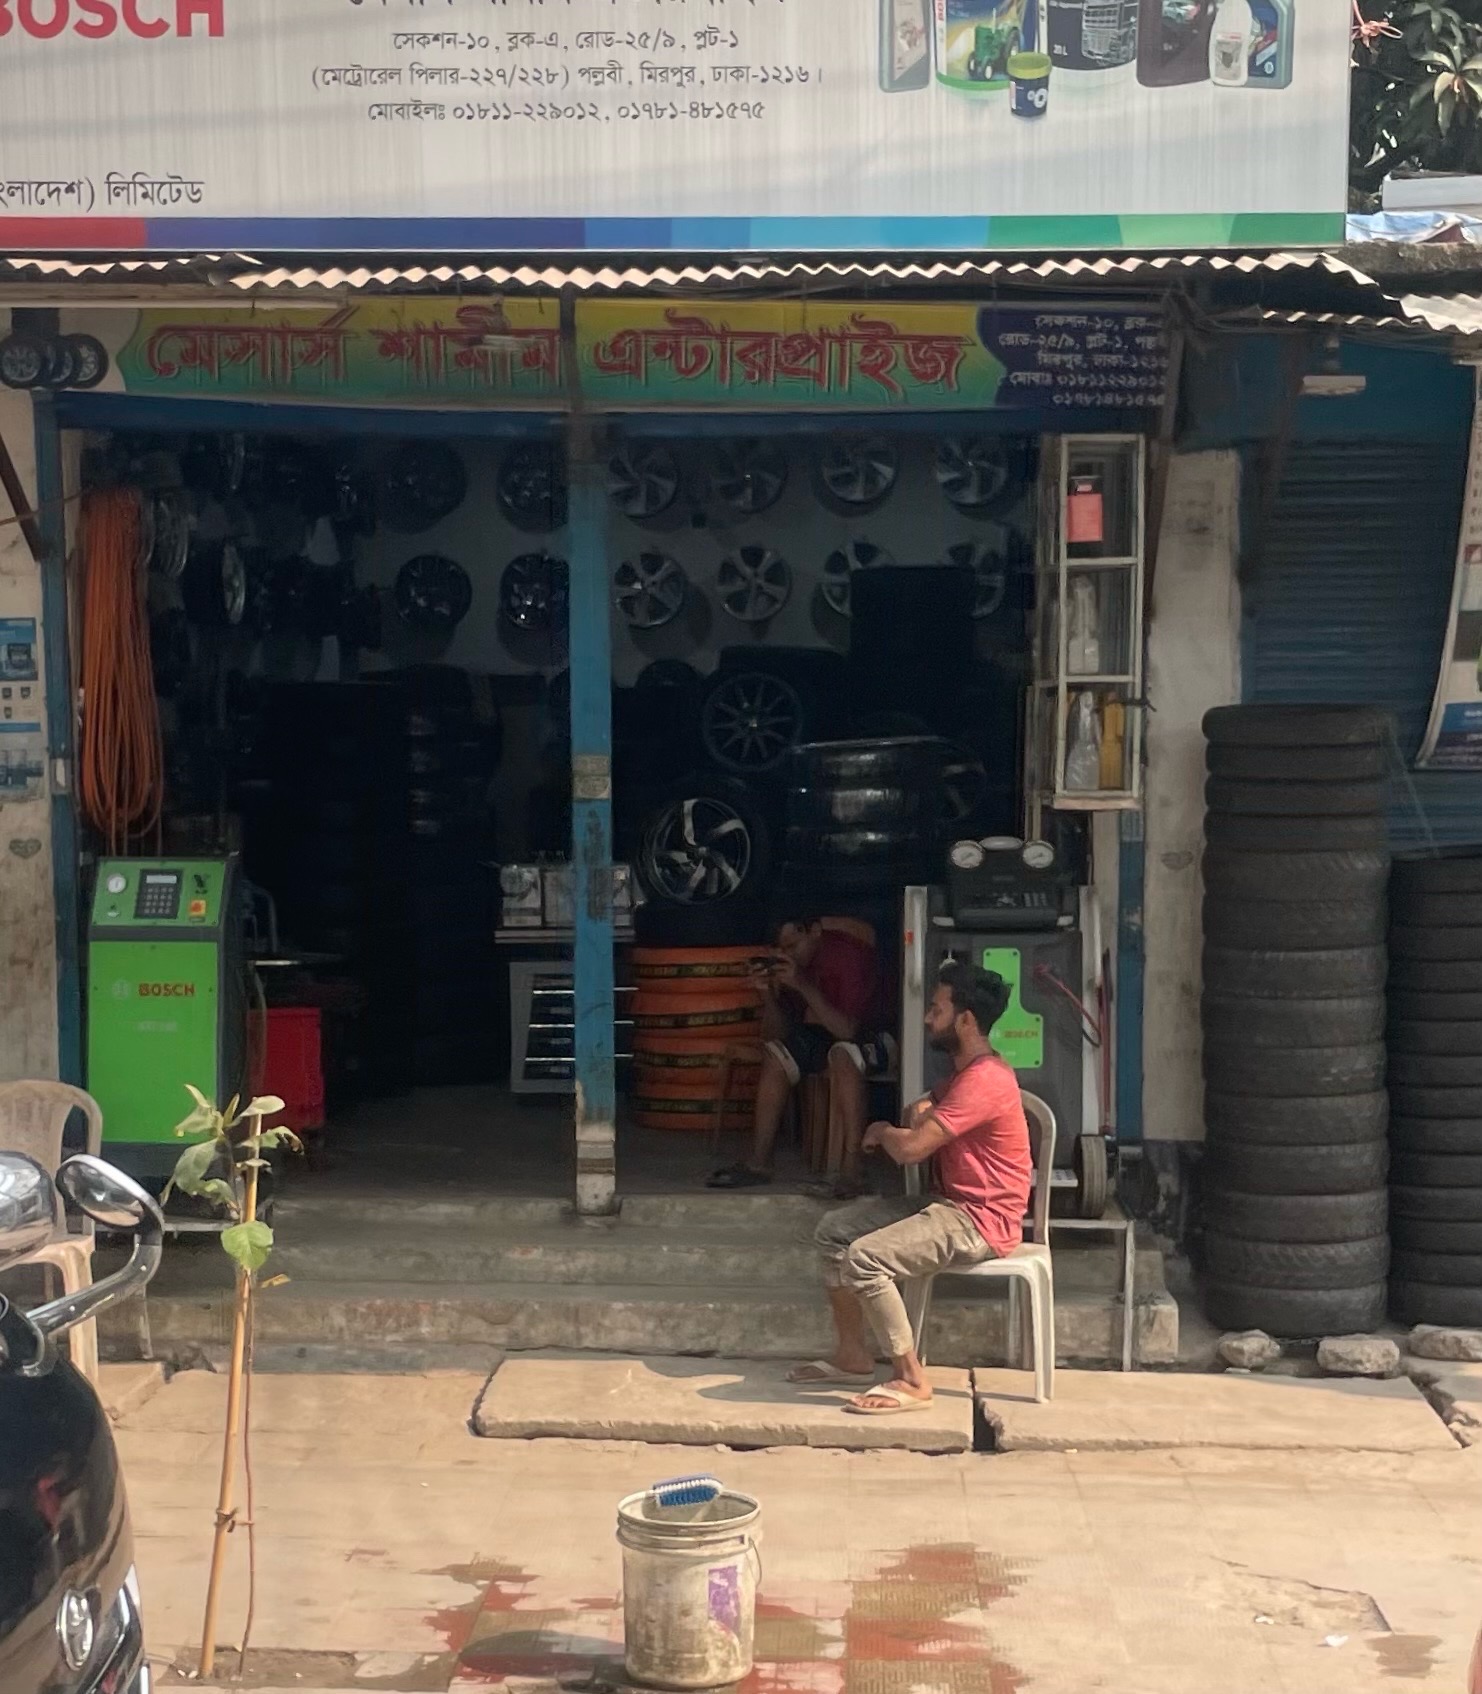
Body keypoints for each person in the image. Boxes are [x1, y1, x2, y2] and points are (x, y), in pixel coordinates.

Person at [787, 961, 1032, 1415]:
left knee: (866, 1258)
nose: (927, 1018)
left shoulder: (985, 1079)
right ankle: (852, 1356)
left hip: (980, 1220)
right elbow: (920, 1111)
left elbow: (912, 1149)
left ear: (966, 1020)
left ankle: (911, 1379)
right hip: (949, 1205)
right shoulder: (963, 1075)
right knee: (834, 1231)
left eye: (937, 1010)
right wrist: (919, 1114)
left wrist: (882, 1131)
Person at [706, 913, 880, 1189]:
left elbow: (846, 1030)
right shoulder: (792, 965)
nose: (788, 955)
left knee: (844, 1056)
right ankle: (759, 1162)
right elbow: (776, 1034)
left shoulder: (846, 955)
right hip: (817, 1035)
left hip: (869, 1035)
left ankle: (852, 1169)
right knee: (775, 1054)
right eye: (781, 949)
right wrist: (767, 993)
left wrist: (802, 985)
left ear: (814, 931)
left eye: (792, 946)